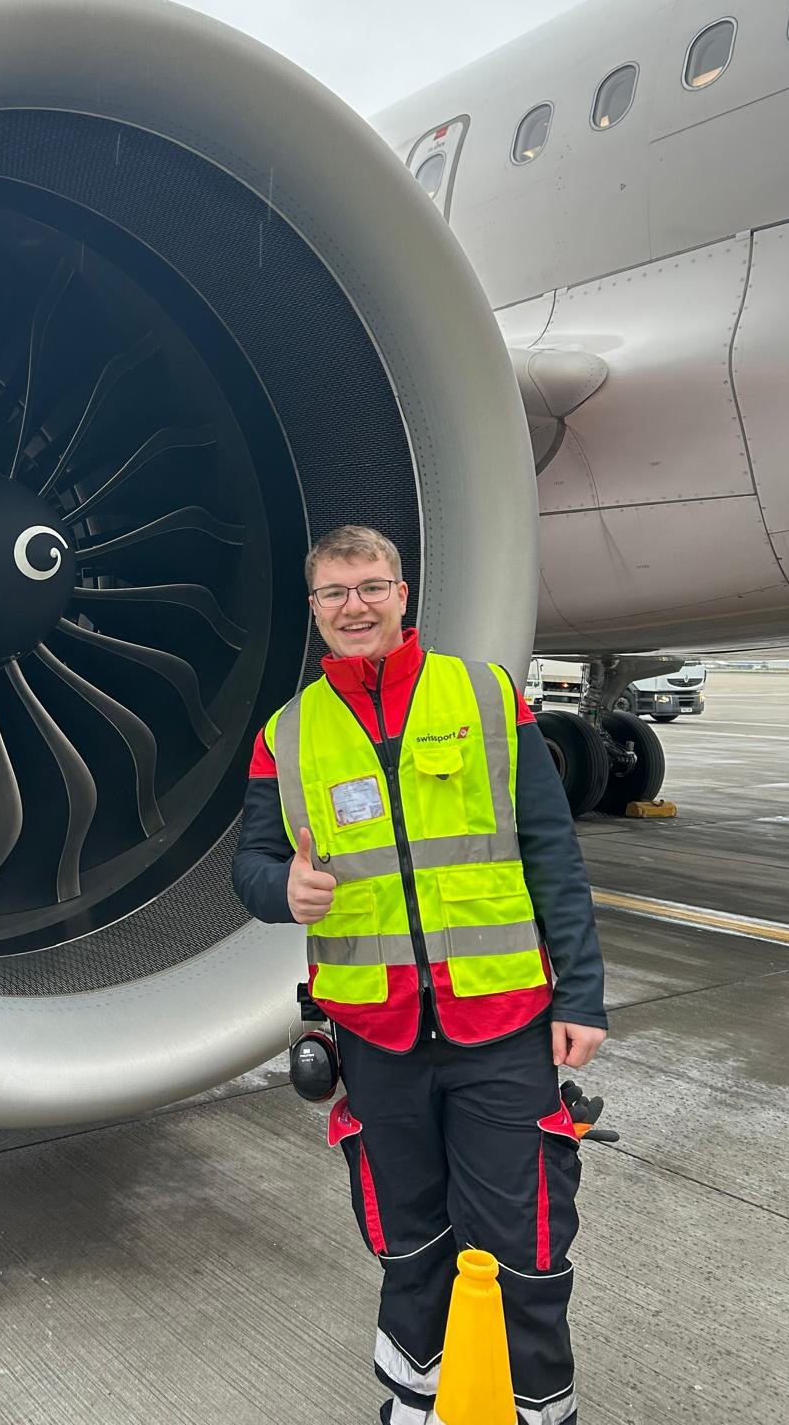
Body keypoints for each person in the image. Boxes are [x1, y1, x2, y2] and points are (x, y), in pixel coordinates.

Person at [231, 525, 607, 1425]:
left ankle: (537, 1405)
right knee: (408, 1232)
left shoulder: (485, 698)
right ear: (315, 612)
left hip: (501, 1024)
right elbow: (250, 864)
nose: (354, 607)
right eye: (334, 594)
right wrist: (282, 887)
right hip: (376, 1033)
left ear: (404, 594)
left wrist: (582, 996)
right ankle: (416, 1392)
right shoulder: (288, 735)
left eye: (370, 587)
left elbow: (552, 852)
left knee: (526, 1235)